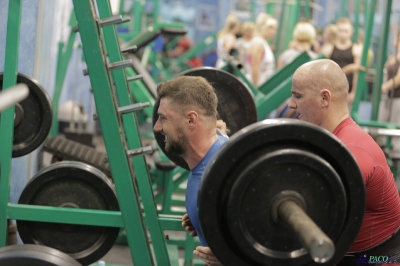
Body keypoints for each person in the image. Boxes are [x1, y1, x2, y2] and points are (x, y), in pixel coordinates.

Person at [288, 59, 400, 266]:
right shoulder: (327, 141)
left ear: (324, 98)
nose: (291, 104)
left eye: (298, 96)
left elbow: (306, 212)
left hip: (375, 260)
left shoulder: (353, 151)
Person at [153, 76, 228, 266]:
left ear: (191, 119)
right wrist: (203, 216)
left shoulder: (225, 175)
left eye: (163, 118)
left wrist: (233, 259)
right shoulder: (215, 151)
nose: (156, 127)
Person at [320, 18, 363, 104]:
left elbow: (357, 74)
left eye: (346, 31)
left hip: (347, 90)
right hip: (331, 90)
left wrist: (354, 92)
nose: (343, 34)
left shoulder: (356, 50)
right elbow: (322, 72)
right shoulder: (328, 49)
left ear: (351, 32)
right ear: (337, 31)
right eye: (340, 31)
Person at [244, 16, 278, 87]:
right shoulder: (258, 43)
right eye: (270, 28)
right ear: (262, 27)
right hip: (257, 86)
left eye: (275, 29)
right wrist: (256, 90)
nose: (273, 32)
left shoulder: (262, 43)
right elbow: (254, 68)